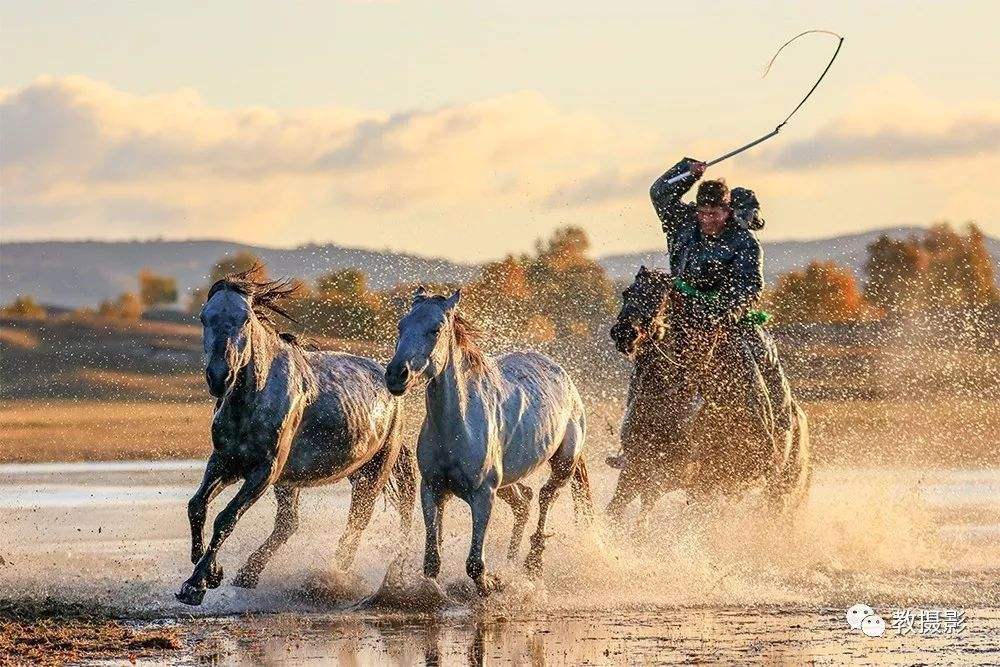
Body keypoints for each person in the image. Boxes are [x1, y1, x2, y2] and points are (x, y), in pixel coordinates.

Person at [649, 156, 792, 433]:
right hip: (682, 312)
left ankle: (780, 423)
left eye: (713, 214)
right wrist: (688, 172)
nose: (706, 220)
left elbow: (749, 288)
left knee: (763, 353)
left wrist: (722, 315)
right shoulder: (682, 222)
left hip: (728, 317)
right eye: (702, 213)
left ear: (727, 211)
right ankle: (634, 438)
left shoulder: (744, 241)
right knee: (649, 359)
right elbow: (659, 193)